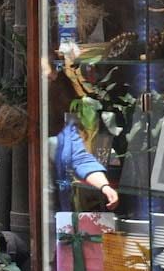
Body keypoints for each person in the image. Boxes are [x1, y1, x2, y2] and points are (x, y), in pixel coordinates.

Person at [47, 67, 120, 212]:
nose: (49, 77)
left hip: (55, 213)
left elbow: (80, 159)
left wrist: (105, 186)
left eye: (51, 75)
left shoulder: (65, 126)